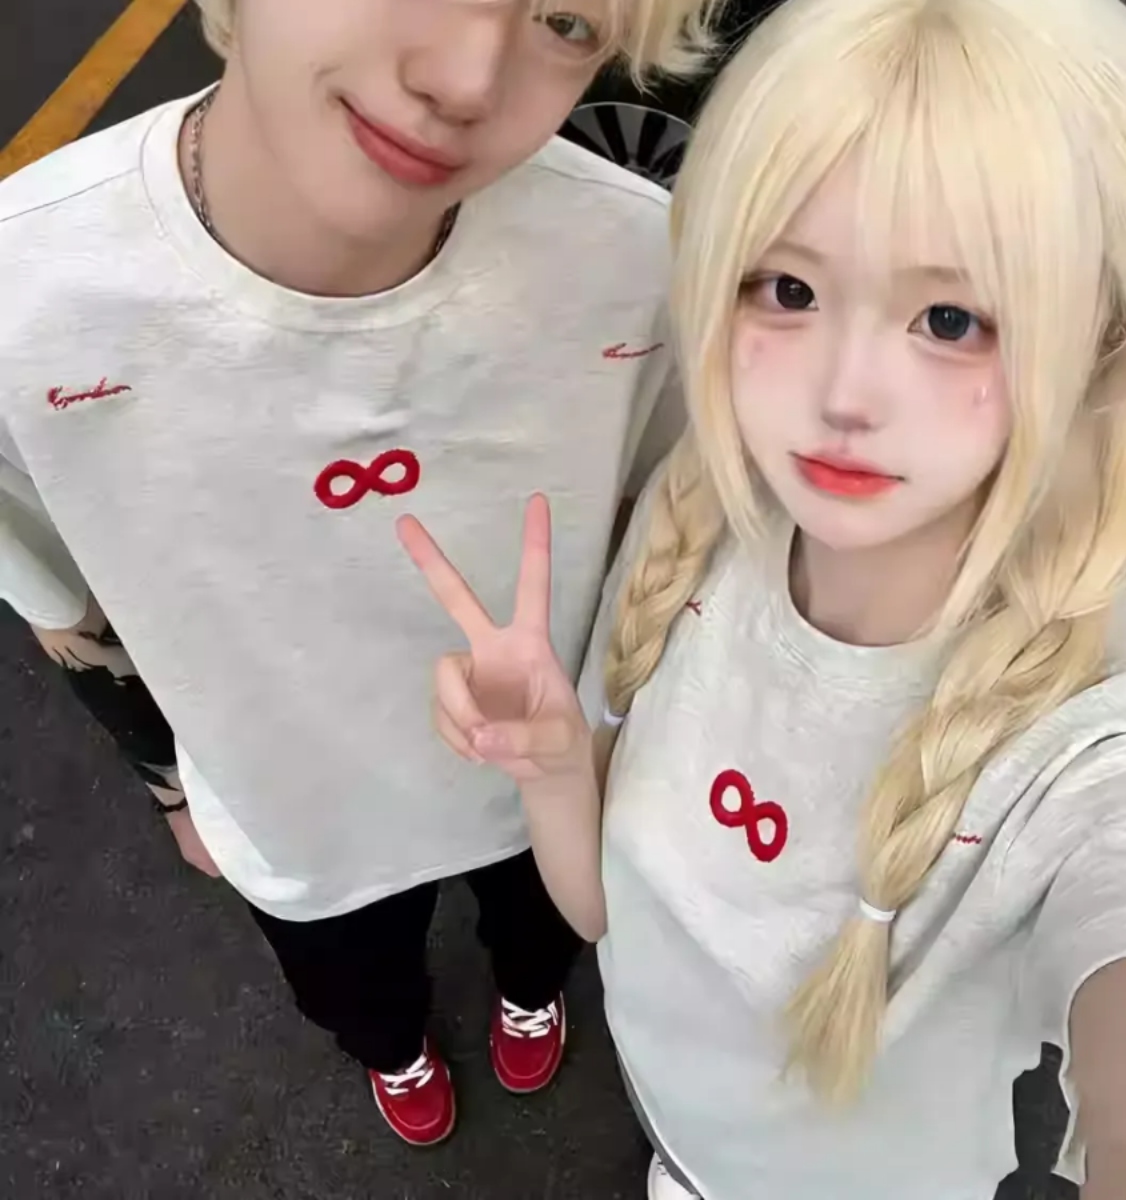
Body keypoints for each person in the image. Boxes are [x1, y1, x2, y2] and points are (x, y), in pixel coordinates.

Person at [400, 0, 1126, 1192]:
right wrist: (556, 767)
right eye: (785, 288)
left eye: (950, 320)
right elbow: (604, 914)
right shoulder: (696, 527)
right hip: (678, 1147)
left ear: (1111, 344)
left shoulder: (1121, 742)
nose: (843, 394)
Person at [0, 0, 715, 1147]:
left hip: (548, 781)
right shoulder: (24, 296)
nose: (468, 77)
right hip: (295, 819)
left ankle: (528, 994)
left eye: (568, 20)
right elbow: (62, 606)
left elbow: (662, 529)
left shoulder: (641, 263)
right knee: (356, 994)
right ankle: (395, 1046)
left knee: (544, 937)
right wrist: (174, 788)